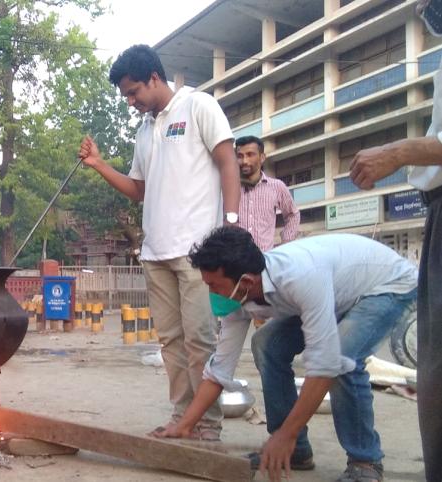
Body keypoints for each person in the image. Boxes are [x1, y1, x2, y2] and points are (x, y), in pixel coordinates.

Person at [155, 227, 417, 482]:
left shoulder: (300, 277)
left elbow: (324, 365)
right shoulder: (239, 296)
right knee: (266, 344)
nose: (211, 293)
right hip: (337, 292)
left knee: (342, 356)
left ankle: (365, 461)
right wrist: (185, 424)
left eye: (214, 286)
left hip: (386, 286)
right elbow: (219, 370)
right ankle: (296, 452)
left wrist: (285, 435)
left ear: (246, 281)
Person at [78, 44, 241, 440]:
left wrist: (232, 225)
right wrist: (99, 165)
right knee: (171, 342)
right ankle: (182, 418)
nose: (131, 102)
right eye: (126, 96)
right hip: (155, 253)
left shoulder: (198, 106)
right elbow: (139, 190)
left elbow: (227, 161)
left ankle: (208, 426)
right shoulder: (144, 130)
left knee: (201, 340)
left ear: (154, 77)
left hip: (197, 253)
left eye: (134, 92)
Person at [349, 2, 442, 479]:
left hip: (393, 281)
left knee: (345, 358)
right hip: (434, 210)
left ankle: (363, 460)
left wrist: (400, 150)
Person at [235, 135, 300, 251]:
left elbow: (292, 214)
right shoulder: (229, 189)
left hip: (265, 261)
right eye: (240, 156)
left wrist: (286, 243)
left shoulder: (277, 186)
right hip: (234, 263)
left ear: (262, 157)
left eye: (250, 154)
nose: (244, 161)